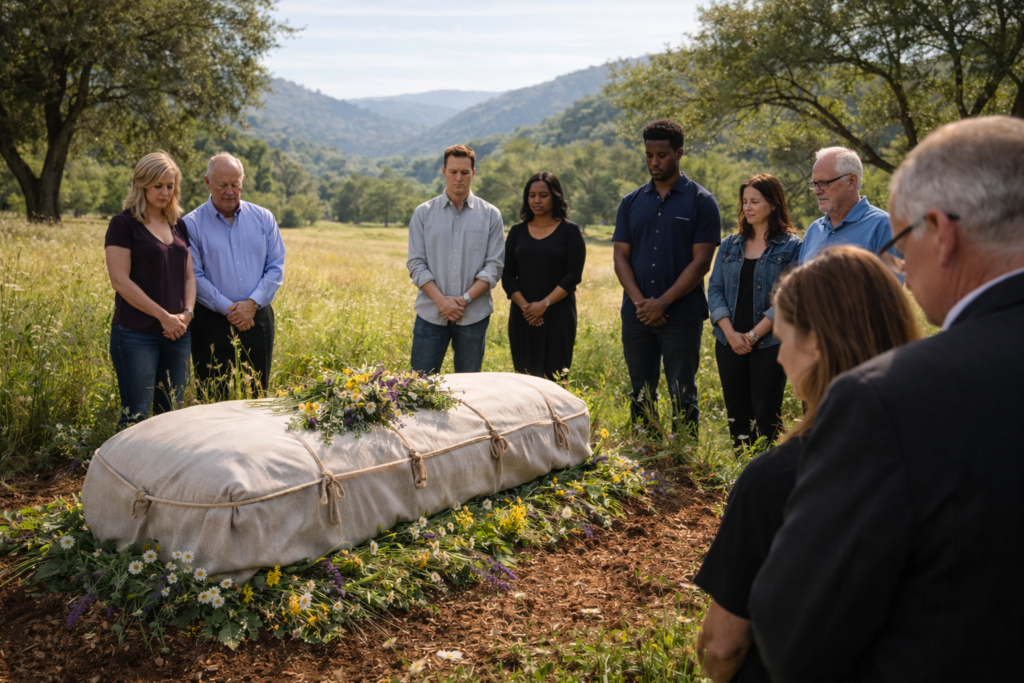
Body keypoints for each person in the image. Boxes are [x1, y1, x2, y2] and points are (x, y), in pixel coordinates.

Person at [749, 116, 1024, 681]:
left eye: (901, 244)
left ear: (941, 234)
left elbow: (794, 634)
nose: (900, 263)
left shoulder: (886, 398)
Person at [694, 246, 921, 682]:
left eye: (783, 338)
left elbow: (723, 646)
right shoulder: (936, 442)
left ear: (815, 340)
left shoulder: (777, 477)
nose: (780, 357)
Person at [612, 119, 721, 435]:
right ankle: (644, 449)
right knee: (640, 391)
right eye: (649, 155)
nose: (654, 162)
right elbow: (620, 257)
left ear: (679, 153)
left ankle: (683, 454)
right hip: (637, 316)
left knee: (682, 392)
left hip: (682, 316)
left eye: (661, 155)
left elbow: (701, 262)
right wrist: (641, 303)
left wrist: (662, 303)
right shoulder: (630, 202)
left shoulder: (702, 202)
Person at [707, 174, 802, 449]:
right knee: (737, 415)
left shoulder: (792, 246)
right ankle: (742, 471)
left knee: (767, 416)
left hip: (770, 342)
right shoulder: (729, 244)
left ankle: (769, 471)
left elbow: (789, 297)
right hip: (729, 341)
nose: (747, 207)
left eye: (755, 201)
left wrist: (751, 336)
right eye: (745, 201)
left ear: (774, 204)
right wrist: (731, 334)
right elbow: (715, 290)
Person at [104, 151, 196, 428]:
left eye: (170, 186)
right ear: (141, 184)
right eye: (158, 186)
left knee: (171, 417)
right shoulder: (123, 224)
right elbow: (120, 280)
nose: (165, 192)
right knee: (136, 418)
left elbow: (189, 276)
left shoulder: (178, 225)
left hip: (177, 334)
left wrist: (187, 314)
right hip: (136, 334)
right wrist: (163, 316)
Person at [184, 153, 286, 397]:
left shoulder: (264, 218)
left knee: (258, 395)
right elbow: (194, 275)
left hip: (257, 318)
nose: (230, 191)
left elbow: (276, 265)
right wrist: (231, 310)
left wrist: (251, 305)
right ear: (207, 182)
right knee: (212, 395)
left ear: (243, 181)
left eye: (235, 184)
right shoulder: (191, 224)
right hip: (210, 322)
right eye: (223, 185)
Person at [407, 144, 504, 374]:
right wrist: (441, 301)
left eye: (464, 172)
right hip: (431, 314)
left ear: (473, 172)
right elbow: (416, 264)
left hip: (474, 317)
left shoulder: (491, 215)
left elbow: (494, 266)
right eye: (453, 172)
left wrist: (464, 300)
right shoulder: (423, 213)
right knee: (419, 385)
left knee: (468, 388)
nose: (458, 178)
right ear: (443, 171)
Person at [502, 172, 586, 379]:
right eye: (532, 195)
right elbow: (507, 275)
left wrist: (544, 304)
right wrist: (527, 308)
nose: (536, 200)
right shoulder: (516, 232)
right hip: (523, 315)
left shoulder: (570, 231)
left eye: (543, 195)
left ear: (555, 197)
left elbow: (573, 275)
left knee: (556, 378)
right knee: (524, 378)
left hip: (558, 315)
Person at [799, 147, 892, 263]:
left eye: (823, 183)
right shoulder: (813, 230)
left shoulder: (883, 226)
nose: (816, 191)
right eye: (814, 184)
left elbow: (891, 275)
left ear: (851, 182)